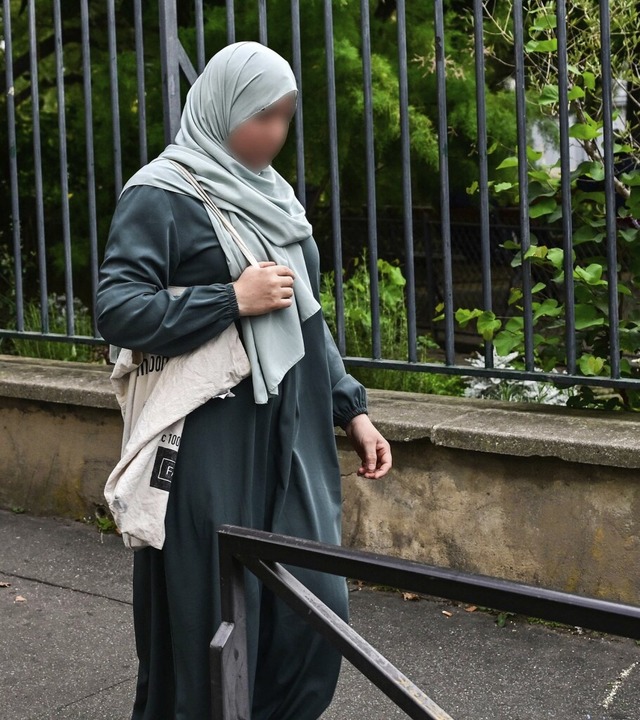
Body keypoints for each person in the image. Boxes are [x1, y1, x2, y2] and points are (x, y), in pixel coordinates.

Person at [96, 41, 392, 720]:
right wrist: (231, 298)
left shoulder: (276, 197)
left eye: (285, 117)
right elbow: (119, 309)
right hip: (212, 436)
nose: (274, 133)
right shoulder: (160, 193)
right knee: (212, 608)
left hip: (294, 433)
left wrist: (353, 410)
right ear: (221, 107)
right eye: (260, 115)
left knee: (317, 603)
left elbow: (308, 317)